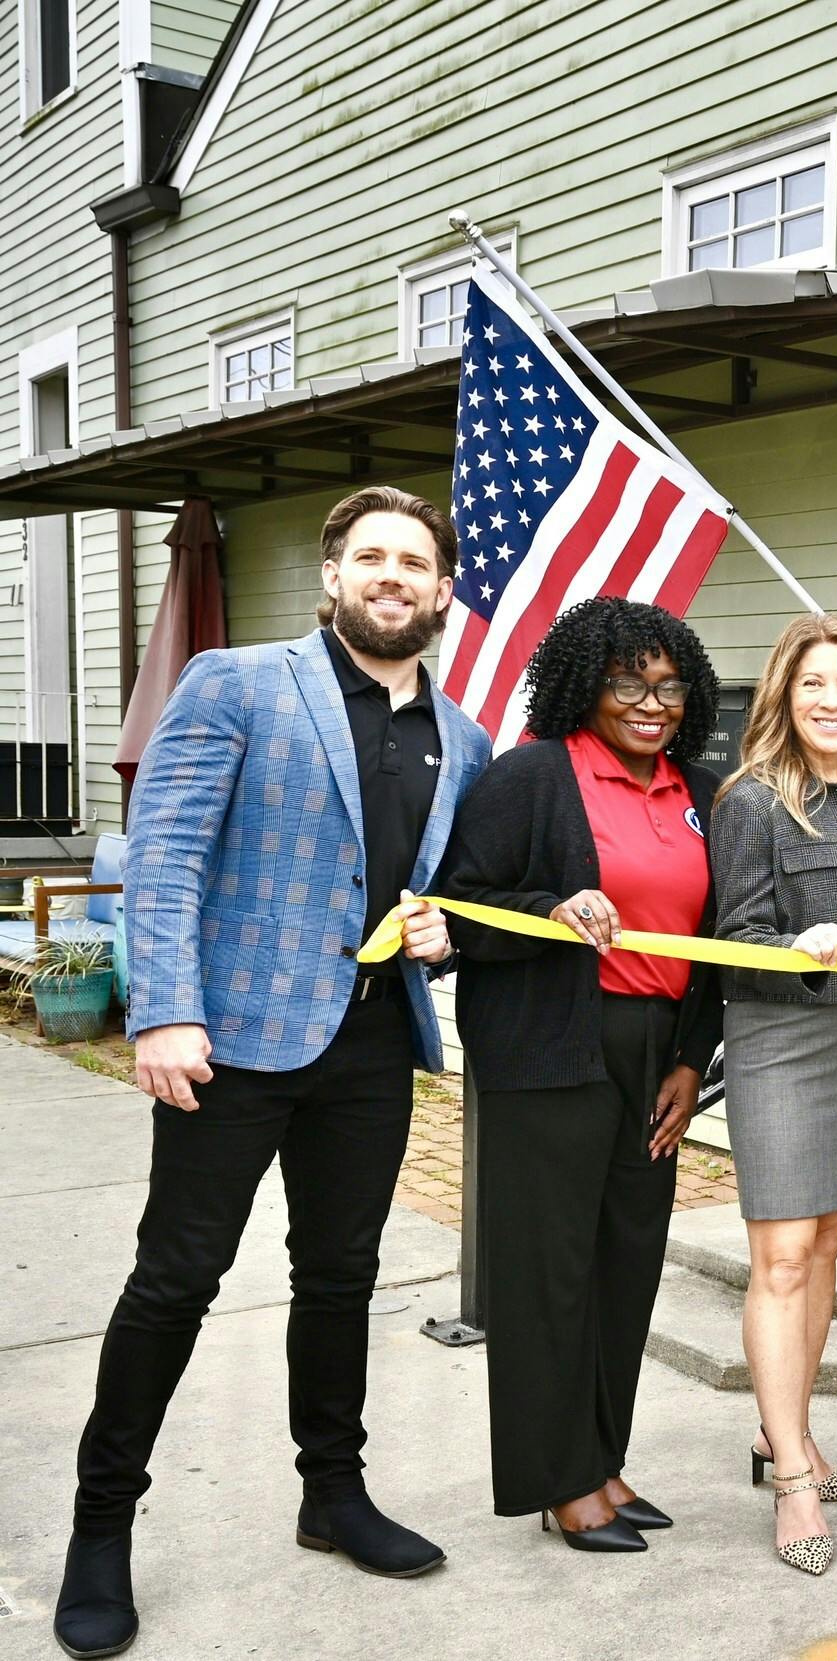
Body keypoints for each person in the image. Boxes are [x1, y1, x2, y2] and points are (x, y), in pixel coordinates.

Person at [57, 487, 488, 1660]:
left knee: (341, 1274)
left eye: (415, 560)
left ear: (444, 589)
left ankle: (332, 1492)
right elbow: (168, 855)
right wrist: (166, 1012)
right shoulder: (240, 681)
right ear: (333, 575)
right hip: (231, 1040)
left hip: (370, 1043)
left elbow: (427, 883)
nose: (393, 575)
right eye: (371, 557)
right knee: (174, 1278)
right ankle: (102, 1529)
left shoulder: (467, 734)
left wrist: (444, 925)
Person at [435, 598, 723, 1553]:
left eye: (668, 683)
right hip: (552, 1046)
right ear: (582, 687)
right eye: (627, 682)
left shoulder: (695, 789)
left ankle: (603, 1461)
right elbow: (455, 910)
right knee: (547, 1271)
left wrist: (690, 1059)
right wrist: (552, 905)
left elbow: (712, 943)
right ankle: (558, 1481)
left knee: (623, 1267)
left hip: (655, 1051)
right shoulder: (533, 777)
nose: (652, 702)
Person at [708, 614, 837, 1576]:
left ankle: (784, 1431)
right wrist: (795, 951)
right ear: (782, 698)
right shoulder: (751, 801)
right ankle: (792, 1475)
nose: (832, 700)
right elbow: (735, 939)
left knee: (828, 1241)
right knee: (781, 1255)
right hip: (779, 1036)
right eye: (812, 684)